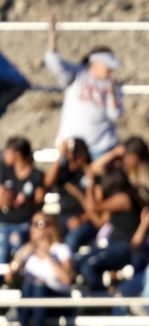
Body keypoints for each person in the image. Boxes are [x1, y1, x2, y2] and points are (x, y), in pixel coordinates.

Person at [44, 16, 123, 158]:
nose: (111, 70)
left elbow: (116, 114)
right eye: (107, 66)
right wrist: (53, 38)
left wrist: (111, 94)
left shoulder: (114, 85)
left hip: (102, 147)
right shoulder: (79, 74)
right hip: (71, 145)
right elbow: (53, 61)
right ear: (96, 63)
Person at [5, 212, 73, 326]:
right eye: (33, 224)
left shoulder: (61, 249)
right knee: (30, 282)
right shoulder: (27, 251)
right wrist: (22, 255)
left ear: (50, 228)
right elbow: (9, 276)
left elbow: (67, 279)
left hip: (56, 300)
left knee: (38, 283)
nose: (33, 228)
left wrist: (48, 257)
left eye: (39, 224)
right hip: (31, 298)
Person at [1, 137, 45, 263]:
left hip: (24, 223)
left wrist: (26, 202)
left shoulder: (36, 175)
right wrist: (7, 200)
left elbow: (39, 204)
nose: (4, 154)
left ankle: (16, 278)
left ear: (17, 154)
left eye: (7, 151)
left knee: (16, 240)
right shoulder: (5, 172)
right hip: (3, 222)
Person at [43, 138, 93, 249]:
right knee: (46, 236)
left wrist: (81, 219)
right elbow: (47, 182)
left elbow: (97, 205)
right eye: (69, 158)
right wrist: (61, 155)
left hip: (85, 218)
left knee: (71, 240)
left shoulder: (89, 173)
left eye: (74, 158)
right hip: (63, 217)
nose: (71, 161)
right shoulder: (63, 171)